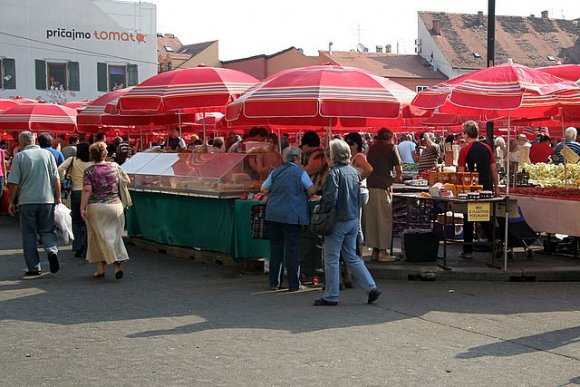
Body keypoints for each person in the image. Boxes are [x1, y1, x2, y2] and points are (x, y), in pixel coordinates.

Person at [313, 139, 381, 306]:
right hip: (351, 218)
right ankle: (371, 287)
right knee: (351, 257)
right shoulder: (353, 171)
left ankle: (331, 295)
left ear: (333, 156)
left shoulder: (334, 173)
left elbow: (330, 199)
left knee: (331, 258)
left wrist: (319, 211)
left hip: (337, 220)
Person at [261, 147, 316, 292]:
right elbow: (311, 190)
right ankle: (293, 283)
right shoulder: (300, 173)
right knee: (292, 249)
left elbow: (263, 189)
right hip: (292, 214)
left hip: (273, 214)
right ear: (296, 158)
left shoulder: (275, 171)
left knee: (275, 248)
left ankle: (274, 282)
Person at [7, 131, 61, 278]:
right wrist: (58, 197)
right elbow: (55, 178)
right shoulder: (48, 155)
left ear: (22, 143)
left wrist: (11, 201)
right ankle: (51, 250)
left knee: (29, 234)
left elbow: (14, 183)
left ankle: (34, 267)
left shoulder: (20, 157)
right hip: (47, 200)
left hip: (27, 201)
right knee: (48, 229)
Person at [80, 142, 130, 279]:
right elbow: (127, 180)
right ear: (105, 153)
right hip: (115, 206)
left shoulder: (89, 171)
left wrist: (82, 207)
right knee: (114, 235)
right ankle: (106, 266)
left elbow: (87, 190)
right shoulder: (116, 167)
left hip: (96, 207)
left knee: (98, 237)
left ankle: (112, 261)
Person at [457, 121, 499, 259]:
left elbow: (461, 173)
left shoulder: (464, 150)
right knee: (485, 217)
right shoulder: (487, 148)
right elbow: (494, 169)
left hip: (471, 189)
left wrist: (460, 190)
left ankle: (468, 250)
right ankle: (496, 242)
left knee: (468, 218)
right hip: (486, 188)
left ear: (466, 134)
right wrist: (496, 188)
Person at [365, 127, 402, 262]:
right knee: (384, 219)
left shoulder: (372, 148)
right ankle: (383, 252)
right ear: (390, 137)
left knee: (373, 219)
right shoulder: (392, 147)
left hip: (370, 186)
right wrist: (397, 178)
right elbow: (399, 169)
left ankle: (375, 250)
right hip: (383, 186)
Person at [58, 143, 94, 258]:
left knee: (76, 220)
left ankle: (78, 246)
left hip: (76, 192)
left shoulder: (72, 160)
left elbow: (59, 169)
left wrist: (65, 178)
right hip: (90, 193)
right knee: (89, 221)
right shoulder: (92, 162)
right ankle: (88, 246)